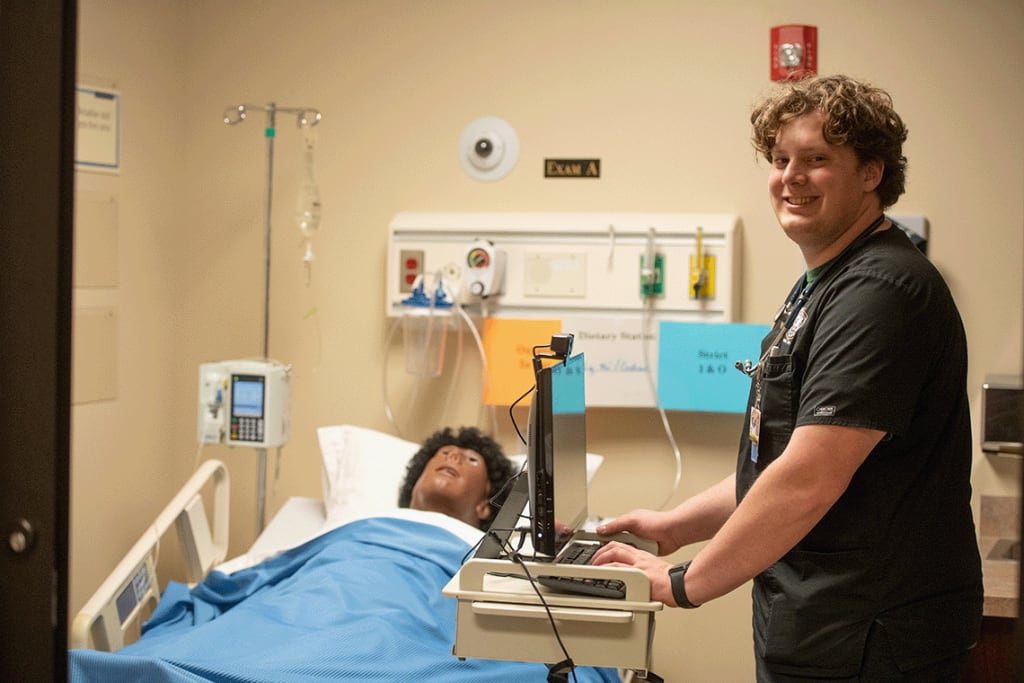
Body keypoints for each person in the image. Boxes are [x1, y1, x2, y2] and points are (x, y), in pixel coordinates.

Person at [593, 74, 983, 681]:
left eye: (817, 159)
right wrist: (675, 528)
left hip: (871, 635)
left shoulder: (880, 293)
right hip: (825, 623)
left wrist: (683, 583)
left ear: (871, 173)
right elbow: (777, 461)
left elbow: (809, 478)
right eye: (780, 159)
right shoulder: (824, 285)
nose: (790, 177)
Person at [399, 425, 517, 529]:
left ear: (484, 506)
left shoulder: (479, 552)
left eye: (472, 460)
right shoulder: (382, 522)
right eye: (445, 452)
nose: (453, 456)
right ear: (416, 481)